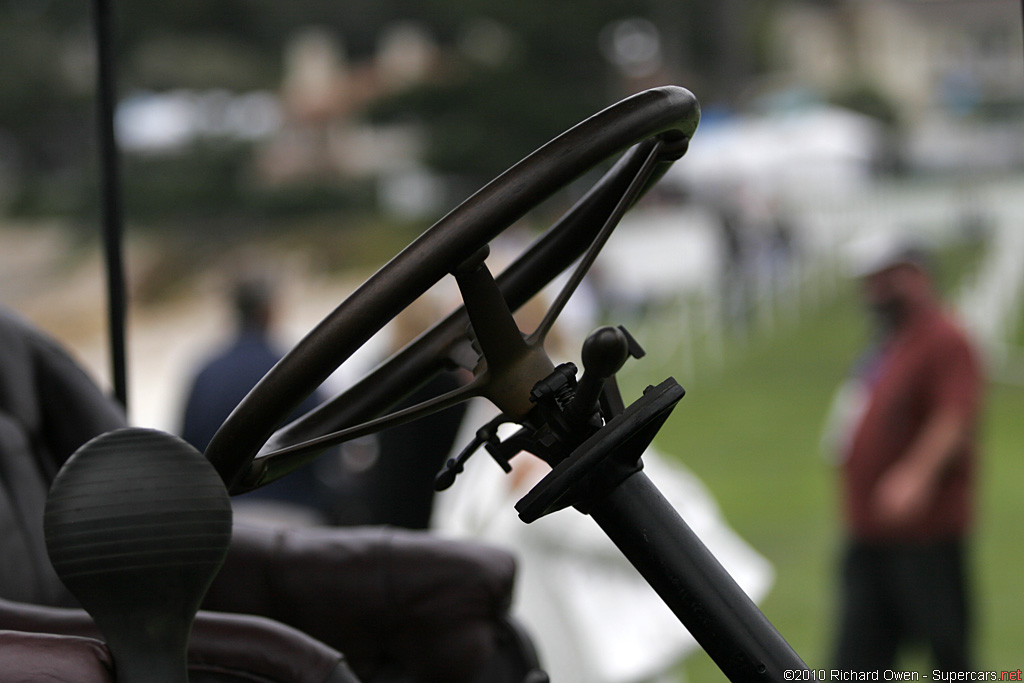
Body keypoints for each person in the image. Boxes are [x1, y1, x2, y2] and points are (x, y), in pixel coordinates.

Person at [826, 234, 984, 673]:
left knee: (949, 657)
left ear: (916, 275)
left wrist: (915, 475)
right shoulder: (889, 343)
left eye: (884, 279)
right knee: (858, 661)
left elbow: (954, 415)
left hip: (923, 533)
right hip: (870, 532)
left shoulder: (945, 338)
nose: (874, 291)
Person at [180, 275, 334, 523]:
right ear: (269, 310)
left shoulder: (205, 374)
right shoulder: (297, 367)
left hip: (226, 522)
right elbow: (326, 448)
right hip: (295, 516)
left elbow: (186, 455)